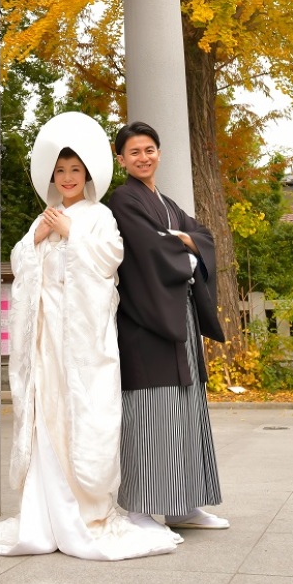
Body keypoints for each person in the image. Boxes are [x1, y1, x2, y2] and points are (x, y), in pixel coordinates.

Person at [0, 111, 180, 560]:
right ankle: (41, 513)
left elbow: (110, 261)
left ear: (87, 174)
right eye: (61, 171)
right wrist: (36, 238)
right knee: (44, 413)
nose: (68, 177)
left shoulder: (100, 216)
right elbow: (22, 263)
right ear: (52, 176)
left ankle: (85, 512)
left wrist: (70, 232)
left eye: (75, 170)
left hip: (83, 341)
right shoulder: (46, 216)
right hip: (45, 339)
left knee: (83, 414)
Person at [107, 121, 229, 532]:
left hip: (179, 318)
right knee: (150, 414)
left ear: (159, 153)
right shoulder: (124, 201)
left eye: (149, 149)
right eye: (134, 152)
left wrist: (187, 241)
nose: (143, 157)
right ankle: (141, 508)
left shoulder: (167, 203)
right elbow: (151, 248)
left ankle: (183, 506)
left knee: (186, 411)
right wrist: (188, 251)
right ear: (120, 158)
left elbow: (202, 234)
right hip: (146, 322)